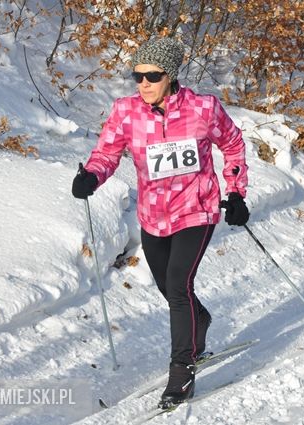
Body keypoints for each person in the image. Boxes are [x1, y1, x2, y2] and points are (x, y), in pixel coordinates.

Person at [71, 37, 250, 408]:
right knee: (170, 289)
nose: (143, 83)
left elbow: (232, 144)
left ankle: (182, 371)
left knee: (178, 283)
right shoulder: (126, 112)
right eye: (137, 76)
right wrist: (91, 175)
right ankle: (199, 322)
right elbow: (107, 152)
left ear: (171, 75)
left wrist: (235, 192)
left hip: (196, 210)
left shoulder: (203, 108)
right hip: (153, 216)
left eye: (152, 75)